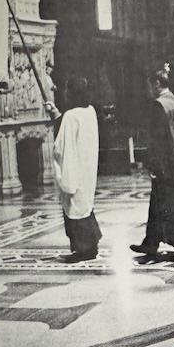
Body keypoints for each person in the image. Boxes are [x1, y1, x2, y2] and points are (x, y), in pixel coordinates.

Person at [130, 64, 174, 261]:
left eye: (151, 84)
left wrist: (154, 166)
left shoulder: (159, 105)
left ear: (157, 83)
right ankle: (150, 243)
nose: (149, 88)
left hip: (166, 166)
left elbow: (158, 141)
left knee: (171, 206)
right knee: (160, 204)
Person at [45, 78, 102, 263]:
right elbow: (71, 125)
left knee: (74, 207)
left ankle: (82, 250)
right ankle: (91, 245)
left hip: (74, 168)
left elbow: (62, 145)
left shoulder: (71, 116)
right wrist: (56, 114)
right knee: (84, 205)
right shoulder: (90, 111)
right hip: (87, 167)